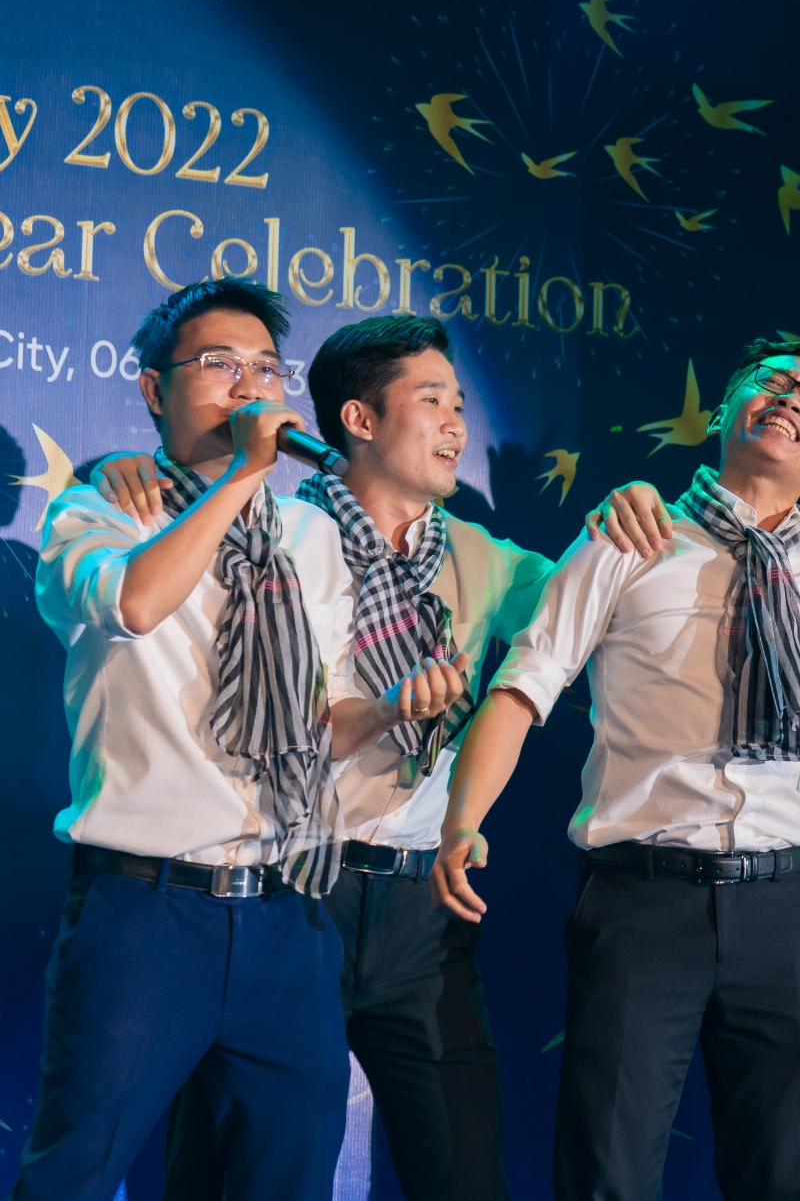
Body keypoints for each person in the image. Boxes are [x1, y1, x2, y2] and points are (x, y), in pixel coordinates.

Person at [13, 278, 465, 1201]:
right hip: (146, 913)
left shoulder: (308, 538)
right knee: (74, 1174)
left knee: (287, 1176)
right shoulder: (99, 515)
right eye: (219, 365)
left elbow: (314, 733)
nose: (249, 386)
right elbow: (135, 604)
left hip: (285, 913)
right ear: (153, 388)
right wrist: (241, 475)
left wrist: (392, 708)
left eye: (266, 368)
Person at [89, 313, 554, 1200]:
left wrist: (629, 515)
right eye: (432, 401)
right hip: (295, 889)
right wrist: (125, 469)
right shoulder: (273, 535)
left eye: (461, 405)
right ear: (358, 419)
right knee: (231, 1165)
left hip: (421, 910)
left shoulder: (483, 558)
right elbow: (161, 565)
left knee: (463, 1169)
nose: (457, 425)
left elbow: (594, 607)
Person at [431, 339, 800, 1201]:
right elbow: (522, 688)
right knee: (610, 1171)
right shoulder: (629, 539)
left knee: (787, 1175)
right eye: (773, 384)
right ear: (723, 411)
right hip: (643, 901)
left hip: (783, 907)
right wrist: (462, 819)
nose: (792, 401)